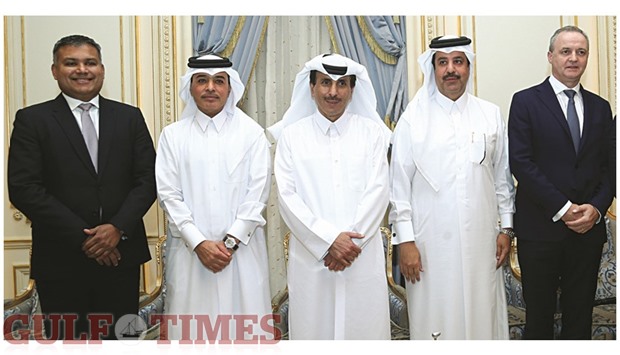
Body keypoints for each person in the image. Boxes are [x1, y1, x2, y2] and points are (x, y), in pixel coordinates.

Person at [7, 34, 156, 340]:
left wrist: (116, 228)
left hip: (121, 258)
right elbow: (24, 188)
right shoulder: (32, 120)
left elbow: (148, 180)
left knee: (121, 341)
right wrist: (87, 238)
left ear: (102, 68)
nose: (82, 70)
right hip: (61, 262)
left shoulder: (129, 117)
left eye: (90, 62)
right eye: (71, 63)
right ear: (54, 70)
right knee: (68, 342)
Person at [389, 35, 515, 340]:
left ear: (468, 67)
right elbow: (398, 187)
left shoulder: (490, 115)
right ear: (432, 69)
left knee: (483, 314)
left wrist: (507, 229)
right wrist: (404, 242)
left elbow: (502, 178)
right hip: (429, 246)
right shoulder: (412, 120)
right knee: (437, 318)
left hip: (481, 241)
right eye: (442, 62)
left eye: (458, 61)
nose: (450, 70)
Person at [269, 53, 393, 340]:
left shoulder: (373, 134)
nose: (333, 92)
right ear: (311, 88)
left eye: (342, 84)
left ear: (352, 90)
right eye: (325, 83)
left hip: (360, 255)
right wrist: (328, 242)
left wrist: (347, 244)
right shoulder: (291, 136)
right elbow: (287, 198)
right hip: (314, 260)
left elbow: (379, 190)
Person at [155, 54, 273, 341]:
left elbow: (257, 196)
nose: (211, 88)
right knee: (192, 333)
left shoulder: (252, 134)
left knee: (244, 333)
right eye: (202, 81)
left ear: (230, 87)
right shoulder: (173, 136)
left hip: (241, 255)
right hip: (191, 256)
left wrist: (229, 244)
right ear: (190, 87)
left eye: (219, 81)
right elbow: (169, 195)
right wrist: (199, 243)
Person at [508, 25, 614, 340]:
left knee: (579, 320)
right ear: (550, 56)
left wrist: (595, 208)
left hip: (587, 234)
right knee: (539, 321)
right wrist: (564, 208)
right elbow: (522, 163)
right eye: (566, 51)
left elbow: (611, 168)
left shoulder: (600, 107)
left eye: (581, 52)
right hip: (539, 230)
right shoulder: (525, 101)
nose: (573, 58)